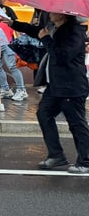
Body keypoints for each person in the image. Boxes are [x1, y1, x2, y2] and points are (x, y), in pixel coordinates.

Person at [34, 11, 89, 173]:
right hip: (55, 86)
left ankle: (85, 161)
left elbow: (62, 56)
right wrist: (13, 24)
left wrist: (45, 39)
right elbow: (35, 30)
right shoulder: (57, 28)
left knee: (77, 124)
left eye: (53, 11)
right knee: (44, 114)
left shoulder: (75, 33)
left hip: (71, 87)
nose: (49, 14)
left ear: (63, 15)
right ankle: (56, 155)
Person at [0, 0, 29, 102]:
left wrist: (20, 40)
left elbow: (16, 25)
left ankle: (21, 90)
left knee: (12, 66)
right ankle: (5, 89)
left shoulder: (8, 10)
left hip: (8, 41)